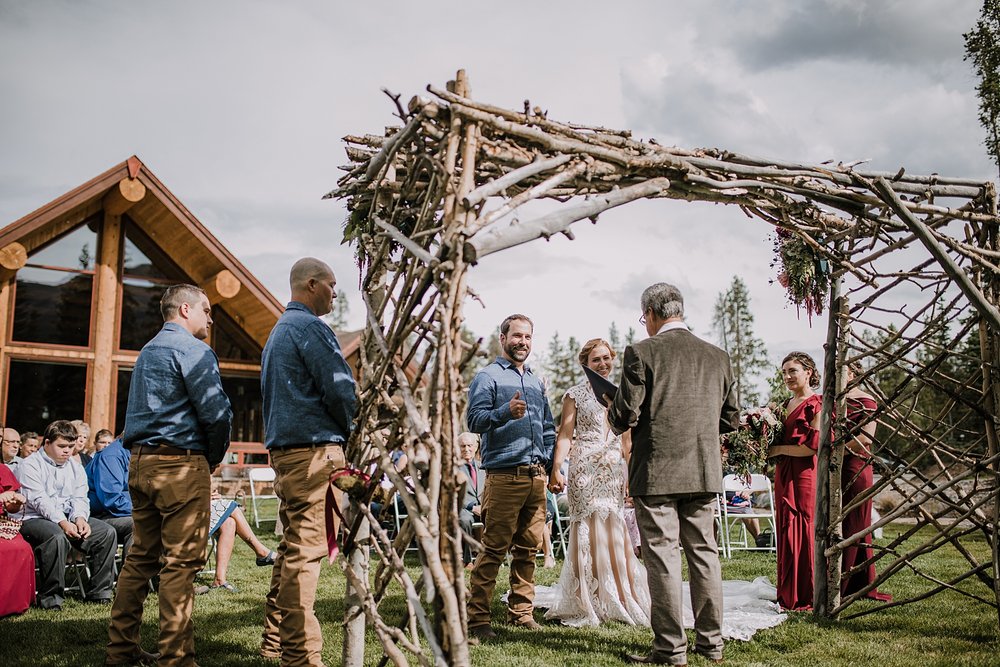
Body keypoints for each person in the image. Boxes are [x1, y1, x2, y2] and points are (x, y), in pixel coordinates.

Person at [607, 283, 739, 665]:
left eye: (643, 317)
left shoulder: (641, 352)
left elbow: (625, 415)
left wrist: (610, 407)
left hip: (657, 472)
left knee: (663, 558)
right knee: (704, 555)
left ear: (650, 312)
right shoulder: (718, 356)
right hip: (702, 469)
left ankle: (670, 649)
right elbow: (730, 419)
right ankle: (711, 645)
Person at [106, 283, 233, 667]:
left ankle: (121, 651)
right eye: (206, 310)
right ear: (183, 310)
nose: (211, 317)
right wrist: (211, 457)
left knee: (140, 558)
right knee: (181, 563)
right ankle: (176, 659)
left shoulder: (147, 351)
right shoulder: (194, 350)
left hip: (140, 463)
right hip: (180, 465)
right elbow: (217, 412)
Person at [259, 258, 357, 667]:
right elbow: (339, 389)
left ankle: (275, 641)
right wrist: (354, 426)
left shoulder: (279, 331)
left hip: (289, 454)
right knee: (307, 553)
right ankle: (301, 656)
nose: (336, 293)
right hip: (314, 455)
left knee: (291, 549)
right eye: (332, 286)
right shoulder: (310, 328)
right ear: (312, 284)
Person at [545, 337, 648, 627]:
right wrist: (556, 469)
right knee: (586, 526)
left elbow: (627, 438)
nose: (602, 364)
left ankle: (618, 590)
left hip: (614, 467)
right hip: (584, 467)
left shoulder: (623, 394)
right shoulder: (574, 394)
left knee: (614, 523)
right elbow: (565, 435)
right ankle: (584, 595)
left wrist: (630, 471)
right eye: (596, 360)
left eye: (606, 358)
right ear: (585, 364)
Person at [466, 313, 556, 641]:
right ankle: (477, 620)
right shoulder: (487, 377)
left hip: (535, 478)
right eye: (517, 336)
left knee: (528, 550)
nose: (523, 342)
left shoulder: (534, 381)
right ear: (502, 338)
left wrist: (549, 465)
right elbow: (474, 421)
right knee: (493, 550)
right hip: (504, 477)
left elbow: (548, 427)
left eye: (528, 337)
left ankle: (521, 612)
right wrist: (506, 412)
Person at [17, 420, 118, 610]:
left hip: (67, 516)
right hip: (33, 518)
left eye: (71, 446)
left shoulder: (75, 466)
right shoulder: (30, 465)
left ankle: (100, 593)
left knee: (106, 532)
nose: (67, 451)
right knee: (56, 536)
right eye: (62, 446)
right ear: (46, 443)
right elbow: (39, 501)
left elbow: (80, 497)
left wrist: (80, 518)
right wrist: (64, 523)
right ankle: (51, 598)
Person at [768, 351, 823, 611]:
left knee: (801, 526)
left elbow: (813, 448)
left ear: (808, 372)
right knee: (785, 528)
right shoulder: (783, 405)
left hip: (804, 475)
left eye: (793, 371)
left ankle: (805, 594)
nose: (788, 377)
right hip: (783, 474)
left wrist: (778, 451)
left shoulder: (817, 404)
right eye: (784, 373)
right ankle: (786, 591)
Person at [841, 362, 891, 602]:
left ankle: (845, 583)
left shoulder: (865, 400)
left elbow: (867, 436)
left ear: (852, 374)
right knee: (840, 523)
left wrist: (836, 449)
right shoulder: (832, 399)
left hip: (855, 466)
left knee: (855, 523)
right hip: (833, 468)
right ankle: (855, 582)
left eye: (843, 370)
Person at [195, 484, 276, 595]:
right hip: (181, 518)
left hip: (198, 512)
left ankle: (219, 580)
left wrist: (212, 496)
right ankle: (262, 552)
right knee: (231, 506)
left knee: (229, 523)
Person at [86, 435, 134, 559]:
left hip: (120, 512)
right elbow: (112, 499)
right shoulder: (112, 456)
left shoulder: (138, 453)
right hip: (100, 515)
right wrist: (144, 510)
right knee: (140, 524)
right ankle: (131, 577)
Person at [0, 462, 36, 617]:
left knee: (21, 547)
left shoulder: (2, 469)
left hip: (2, 524)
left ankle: (14, 605)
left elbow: (11, 509)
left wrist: (15, 504)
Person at [457, 432, 484, 568]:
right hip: (463, 508)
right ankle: (467, 560)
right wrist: (472, 507)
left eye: (469, 445)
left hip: (484, 507)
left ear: (476, 447)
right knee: (465, 520)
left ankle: (488, 558)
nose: (466, 449)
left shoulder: (483, 466)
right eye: (462, 446)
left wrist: (485, 506)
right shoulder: (452, 468)